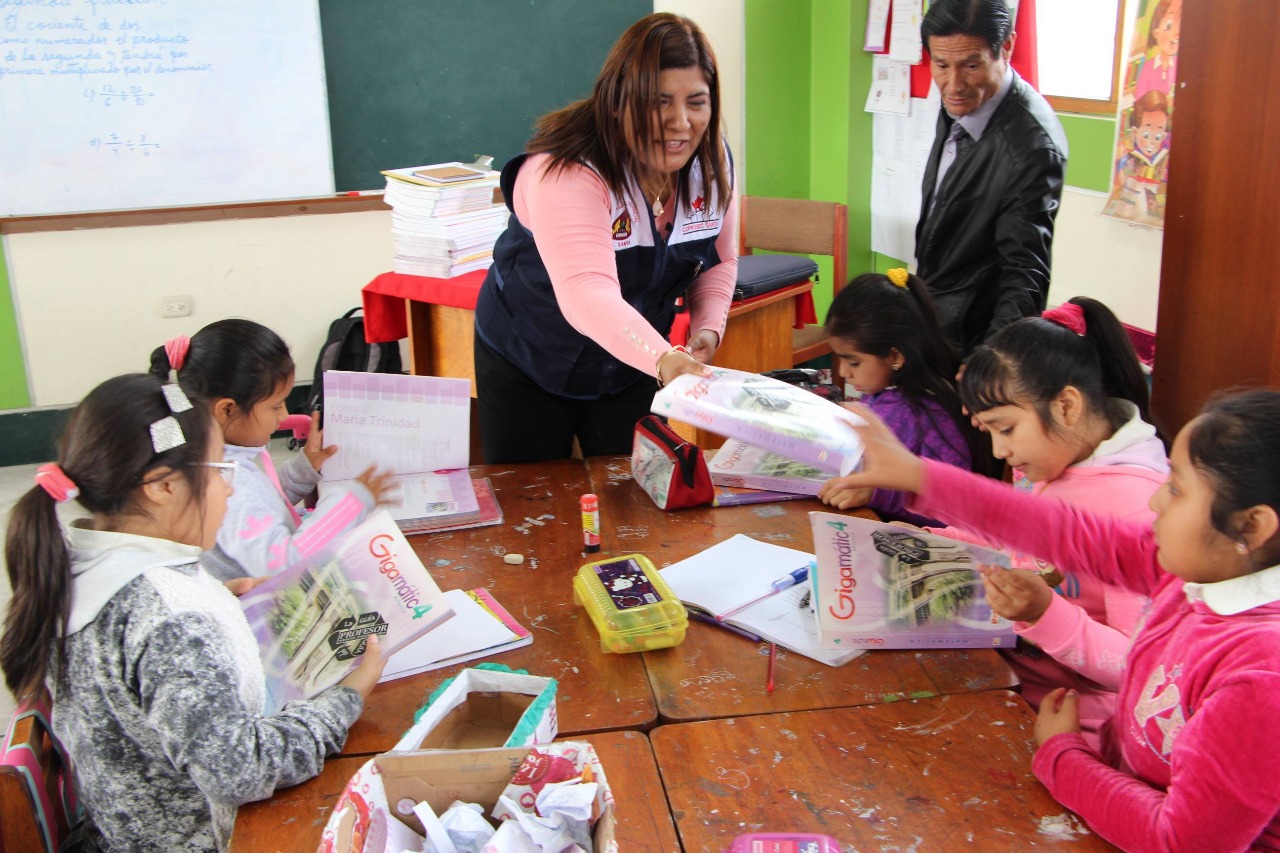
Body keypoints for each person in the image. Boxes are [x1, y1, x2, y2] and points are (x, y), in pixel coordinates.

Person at [821, 389, 1280, 851]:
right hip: (1112, 796)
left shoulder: (1262, 677)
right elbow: (1065, 531)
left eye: (1177, 488)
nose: (1157, 501)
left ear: (1251, 526)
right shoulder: (1191, 571)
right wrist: (921, 478)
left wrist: (1064, 756)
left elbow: (1181, 841)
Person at [0, 374, 386, 852]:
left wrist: (225, 593)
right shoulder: (168, 620)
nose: (228, 490)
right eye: (218, 471)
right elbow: (240, 770)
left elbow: (138, 652)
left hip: (127, 828)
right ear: (161, 487)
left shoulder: (87, 562)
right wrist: (349, 696)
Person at [473, 12, 737, 463]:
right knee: (534, 504)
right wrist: (663, 358)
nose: (680, 123)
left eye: (696, 102)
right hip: (531, 358)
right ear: (618, 101)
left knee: (638, 494)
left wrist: (709, 327)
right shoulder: (567, 172)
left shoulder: (710, 164)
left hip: (632, 365)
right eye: (659, 103)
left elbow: (717, 259)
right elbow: (585, 291)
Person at [945, 297, 1167, 745]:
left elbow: (1140, 670)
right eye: (988, 431)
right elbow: (1017, 539)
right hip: (1010, 670)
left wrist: (1045, 614)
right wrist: (937, 538)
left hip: (1071, 722)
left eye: (1005, 429)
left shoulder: (1134, 509)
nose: (999, 452)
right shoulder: (1057, 460)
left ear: (1067, 406)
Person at [149, 320, 392, 581]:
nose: (285, 414)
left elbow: (262, 506)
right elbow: (288, 566)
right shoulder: (224, 481)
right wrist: (351, 501)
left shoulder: (207, 454)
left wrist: (303, 470)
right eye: (276, 406)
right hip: (261, 608)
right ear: (227, 410)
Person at [914, 0, 1069, 357]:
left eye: (971, 65)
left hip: (977, 340)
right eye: (941, 65)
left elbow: (1025, 271)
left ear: (1007, 48)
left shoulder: (1030, 146)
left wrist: (993, 363)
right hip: (937, 321)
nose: (953, 84)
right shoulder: (964, 99)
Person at [817, 268, 979, 526]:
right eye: (839, 359)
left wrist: (876, 494)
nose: (843, 372)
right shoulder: (878, 396)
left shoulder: (935, 416)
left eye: (854, 362)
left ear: (895, 357)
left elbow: (953, 507)